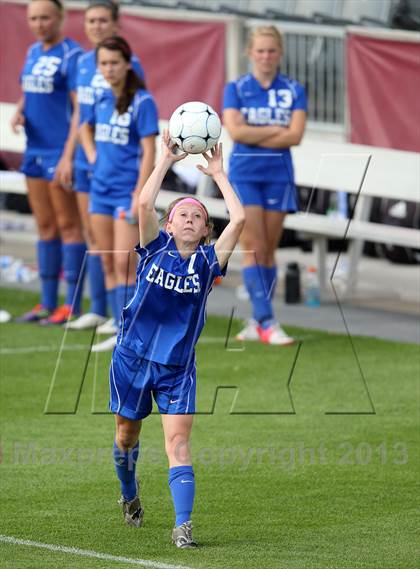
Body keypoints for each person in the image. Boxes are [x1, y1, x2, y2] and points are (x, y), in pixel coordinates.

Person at [109, 132, 245, 548]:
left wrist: (219, 174)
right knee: (125, 438)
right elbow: (143, 204)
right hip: (131, 359)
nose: (188, 218)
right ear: (168, 226)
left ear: (205, 231)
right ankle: (129, 495)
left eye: (197, 216)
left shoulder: (208, 263)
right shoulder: (153, 248)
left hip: (177, 370)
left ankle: (182, 527)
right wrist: (165, 161)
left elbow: (238, 220)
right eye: (182, 214)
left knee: (178, 443)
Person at [223, 25, 307, 345]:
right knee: (254, 248)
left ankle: (258, 319)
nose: (265, 56)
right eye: (260, 50)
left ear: (280, 53)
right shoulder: (237, 88)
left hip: (279, 174)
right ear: (250, 53)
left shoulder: (294, 89)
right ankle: (268, 321)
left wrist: (255, 129)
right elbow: (236, 132)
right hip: (244, 173)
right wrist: (276, 129)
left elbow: (295, 135)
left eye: (271, 50)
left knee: (269, 251)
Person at [67, 0, 146, 333]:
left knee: (120, 251)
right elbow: (80, 116)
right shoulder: (83, 63)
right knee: (92, 237)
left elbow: (137, 122)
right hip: (90, 166)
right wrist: (75, 153)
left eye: (102, 20)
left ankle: (121, 317)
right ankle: (99, 309)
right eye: (91, 21)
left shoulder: (132, 67)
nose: (96, 26)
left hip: (119, 169)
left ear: (116, 24)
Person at [79, 36, 157, 352]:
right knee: (106, 260)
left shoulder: (142, 101)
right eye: (103, 64)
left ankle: (129, 331)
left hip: (126, 192)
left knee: (125, 263)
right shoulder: (99, 98)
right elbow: (85, 127)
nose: (109, 69)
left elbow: (149, 149)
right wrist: (92, 154)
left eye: (114, 63)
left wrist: (141, 191)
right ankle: (119, 325)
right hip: (100, 190)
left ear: (127, 64)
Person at [11, 0, 87, 325]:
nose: (39, 23)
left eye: (45, 17)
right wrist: (19, 107)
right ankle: (44, 303)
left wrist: (69, 155)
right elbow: (33, 90)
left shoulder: (72, 55)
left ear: (60, 18)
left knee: (69, 226)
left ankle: (70, 305)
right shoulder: (32, 52)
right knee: (44, 226)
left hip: (59, 151)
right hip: (34, 150)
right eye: (34, 18)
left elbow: (79, 108)